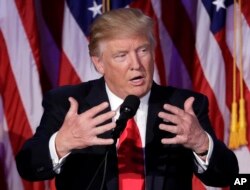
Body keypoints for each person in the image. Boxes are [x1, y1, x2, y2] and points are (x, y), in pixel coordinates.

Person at [16, 8, 239, 190]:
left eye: (143, 50)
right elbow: (28, 166)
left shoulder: (184, 106)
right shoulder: (68, 103)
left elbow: (226, 176)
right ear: (99, 63)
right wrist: (61, 143)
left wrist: (201, 143)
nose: (136, 64)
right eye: (121, 55)